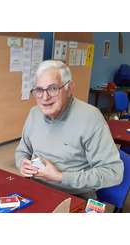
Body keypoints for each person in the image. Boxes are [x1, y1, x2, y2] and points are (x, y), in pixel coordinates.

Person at [15, 60, 124, 199]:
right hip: (36, 187)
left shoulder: (90, 117)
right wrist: (22, 163)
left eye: (53, 88)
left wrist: (61, 177)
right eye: (39, 90)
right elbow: (22, 151)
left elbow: (113, 172)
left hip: (74, 194)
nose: (45, 97)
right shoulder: (34, 113)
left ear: (70, 88)